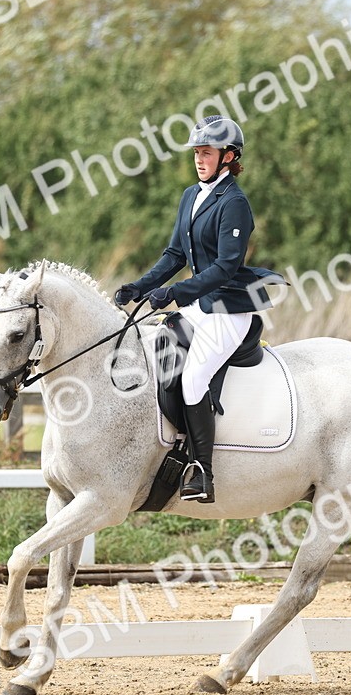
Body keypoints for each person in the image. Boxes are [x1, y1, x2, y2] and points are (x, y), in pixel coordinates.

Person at [115, 115, 282, 503]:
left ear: (228, 157)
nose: (199, 158)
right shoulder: (192, 195)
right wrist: (140, 286)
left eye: (206, 152)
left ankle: (202, 471)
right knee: (154, 348)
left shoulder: (235, 203)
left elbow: (225, 267)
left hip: (227, 311)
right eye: (196, 152)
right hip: (199, 306)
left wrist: (174, 293)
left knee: (192, 379)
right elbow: (175, 253)